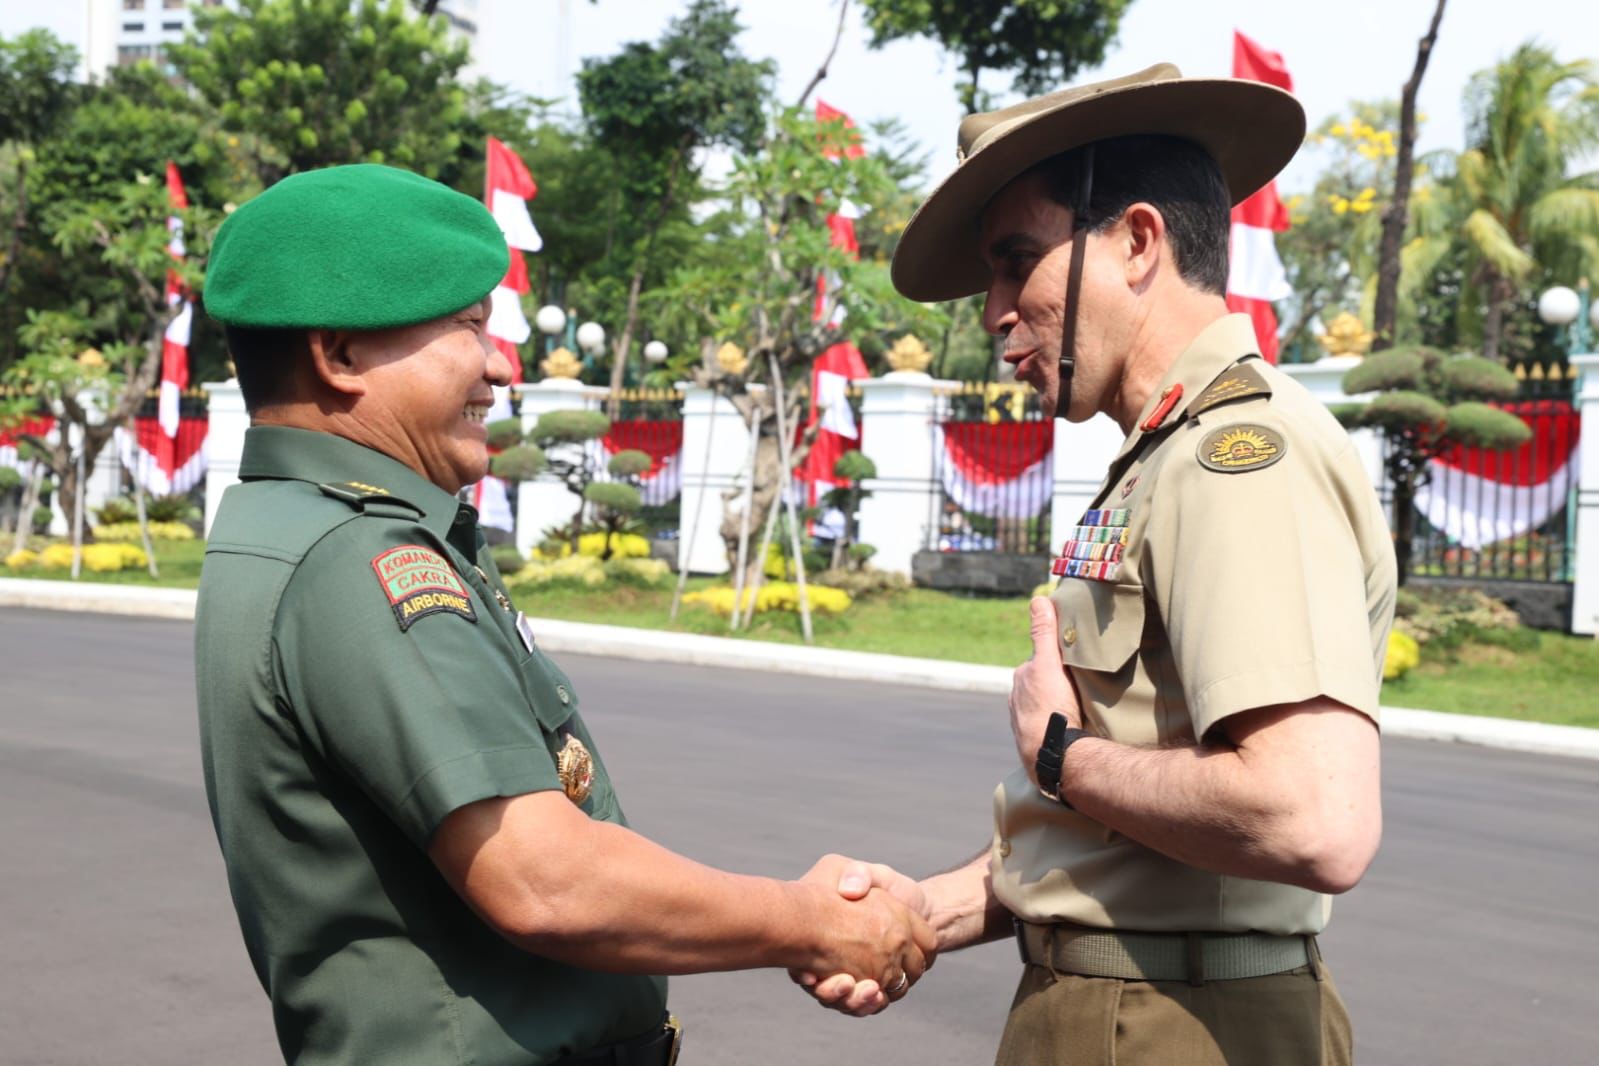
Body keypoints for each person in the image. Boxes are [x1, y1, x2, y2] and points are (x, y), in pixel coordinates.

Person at [193, 164, 934, 1066]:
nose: (501, 363)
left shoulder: (288, 525)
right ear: (340, 355)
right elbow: (545, 880)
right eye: (468, 326)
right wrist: (809, 921)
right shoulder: (361, 559)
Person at [803, 64, 1397, 1064]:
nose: (994, 310)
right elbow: (1124, 841)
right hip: (1128, 1004)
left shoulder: (1234, 458)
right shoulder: (1161, 458)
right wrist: (929, 911)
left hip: (1173, 1024)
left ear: (1134, 242)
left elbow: (1313, 818)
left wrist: (1060, 756)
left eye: (1016, 260)